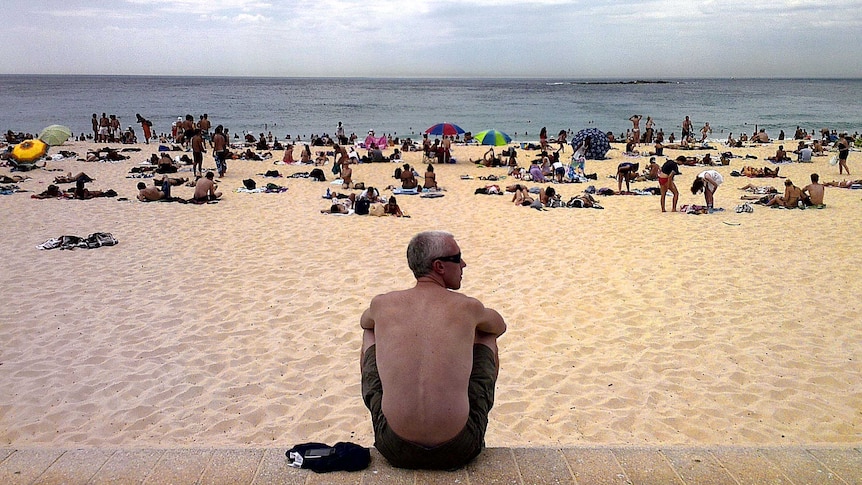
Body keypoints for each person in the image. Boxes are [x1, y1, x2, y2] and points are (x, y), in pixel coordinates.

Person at [360, 230, 506, 470]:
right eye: (457, 258)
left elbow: (365, 322)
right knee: (485, 333)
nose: (463, 264)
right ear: (439, 266)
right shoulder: (468, 307)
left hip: (394, 447)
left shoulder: (382, 303)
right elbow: (499, 326)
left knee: (371, 332)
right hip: (459, 448)